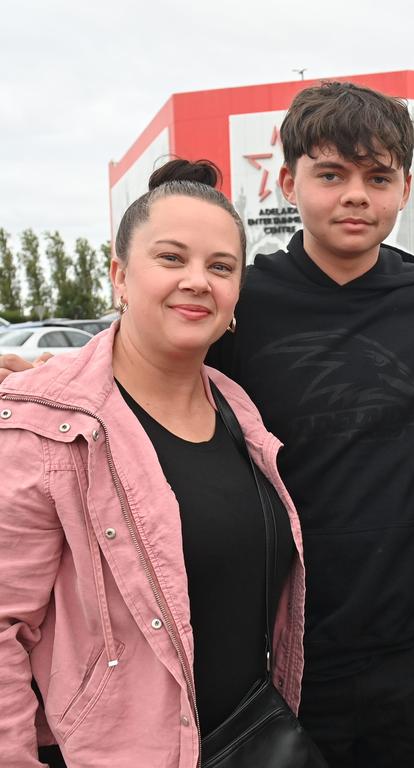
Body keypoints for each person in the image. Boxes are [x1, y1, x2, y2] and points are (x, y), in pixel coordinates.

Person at [0, 159, 307, 768]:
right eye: (171, 258)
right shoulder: (45, 424)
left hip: (248, 736)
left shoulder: (236, 407)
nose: (198, 280)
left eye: (220, 267)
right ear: (119, 275)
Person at [202, 82, 414, 767]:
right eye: (331, 175)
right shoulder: (245, 304)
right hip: (286, 649)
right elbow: (146, 366)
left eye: (379, 177)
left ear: (406, 187)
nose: (356, 195)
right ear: (289, 181)